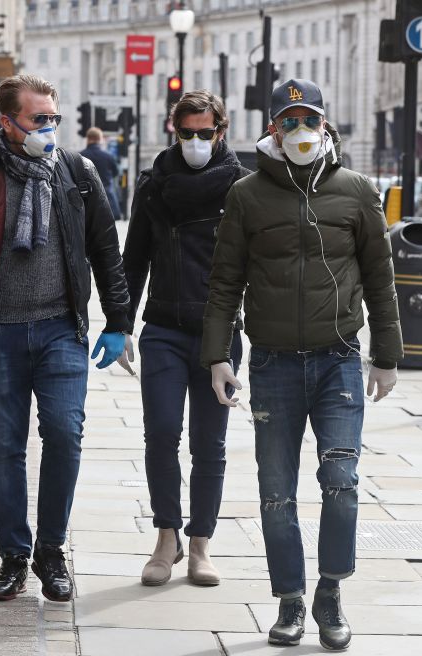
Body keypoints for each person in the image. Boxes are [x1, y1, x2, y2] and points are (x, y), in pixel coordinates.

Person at [200, 79, 402, 651]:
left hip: (338, 360)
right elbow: (224, 282)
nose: (298, 132)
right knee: (275, 491)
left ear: (324, 122)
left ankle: (330, 590)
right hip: (273, 365)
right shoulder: (246, 195)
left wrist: (386, 356)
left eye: (306, 119)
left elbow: (381, 279)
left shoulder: (358, 191)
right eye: (286, 122)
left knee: (341, 482)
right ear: (271, 129)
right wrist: (218, 356)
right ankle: (290, 598)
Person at [0, 74, 131, 604]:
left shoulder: (77, 174)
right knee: (5, 448)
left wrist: (117, 320)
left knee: (64, 435)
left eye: (53, 119)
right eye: (38, 119)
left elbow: (107, 250)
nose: (48, 128)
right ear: (7, 123)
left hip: (62, 329)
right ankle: (14, 556)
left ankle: (52, 549)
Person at [121, 90, 249, 588]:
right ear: (173, 130)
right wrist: (120, 322)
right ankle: (166, 538)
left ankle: (201, 545)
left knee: (210, 444)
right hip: (165, 330)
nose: (195, 141)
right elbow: (133, 260)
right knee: (160, 435)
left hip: (220, 336)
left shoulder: (242, 186)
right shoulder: (155, 185)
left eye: (205, 132)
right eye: (186, 133)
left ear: (222, 130)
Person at [81, 127, 122, 219]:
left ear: (88, 139)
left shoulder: (80, 156)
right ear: (100, 139)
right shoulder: (108, 156)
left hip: (86, 201)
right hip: (106, 200)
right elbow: (115, 172)